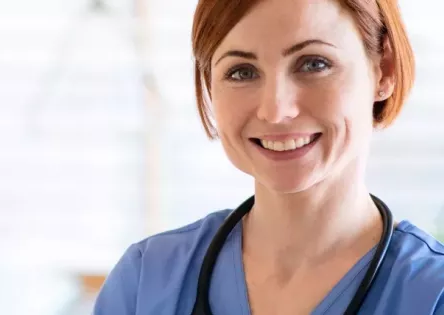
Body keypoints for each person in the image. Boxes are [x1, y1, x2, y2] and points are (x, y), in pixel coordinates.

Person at [93, 0, 444, 314]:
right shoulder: (146, 283)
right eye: (242, 72)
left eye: (314, 64)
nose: (275, 110)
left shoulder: (432, 295)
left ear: (385, 69)